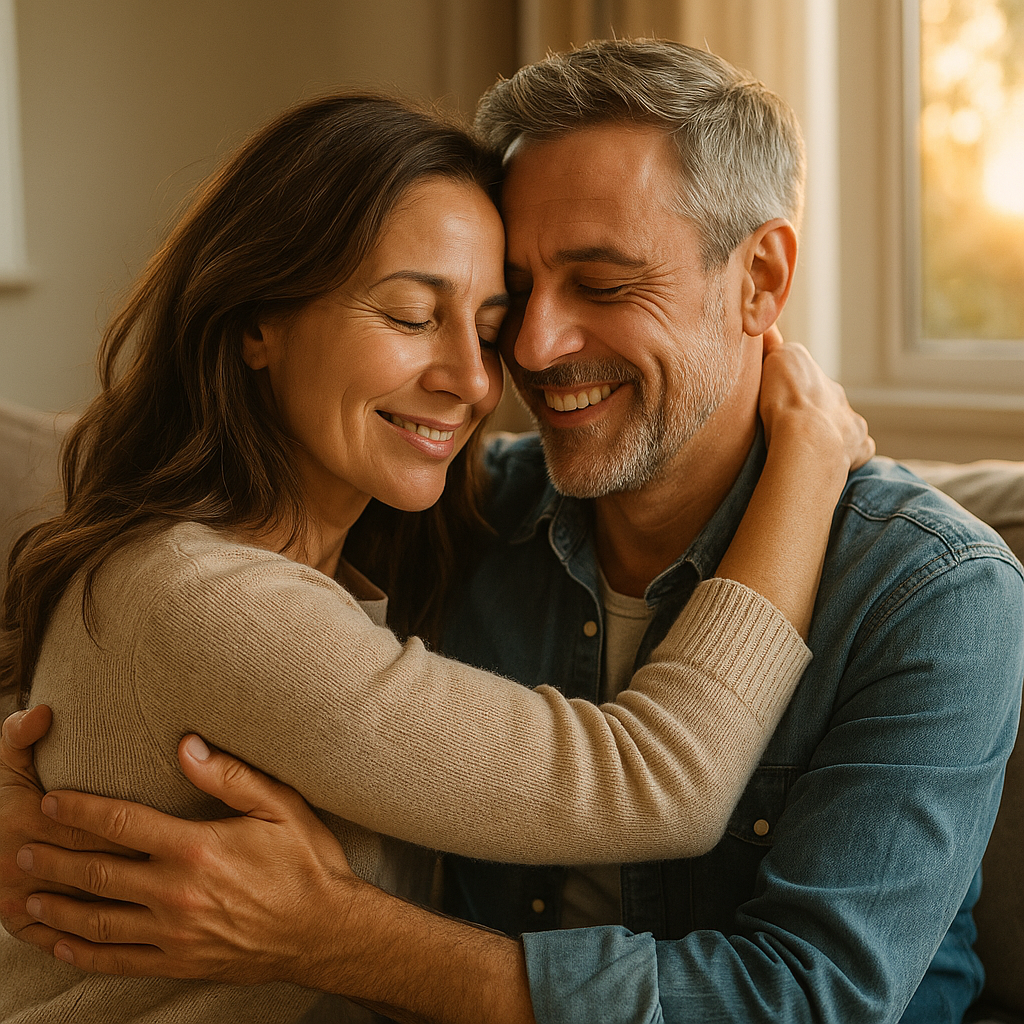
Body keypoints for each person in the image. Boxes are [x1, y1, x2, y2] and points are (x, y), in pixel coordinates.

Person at [3, 39, 1012, 1024]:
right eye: (515, 301)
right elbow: (151, 629)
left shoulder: (931, 589)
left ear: (760, 280)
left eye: (604, 285)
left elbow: (800, 999)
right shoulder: (460, 511)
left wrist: (331, 933)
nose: (518, 359)